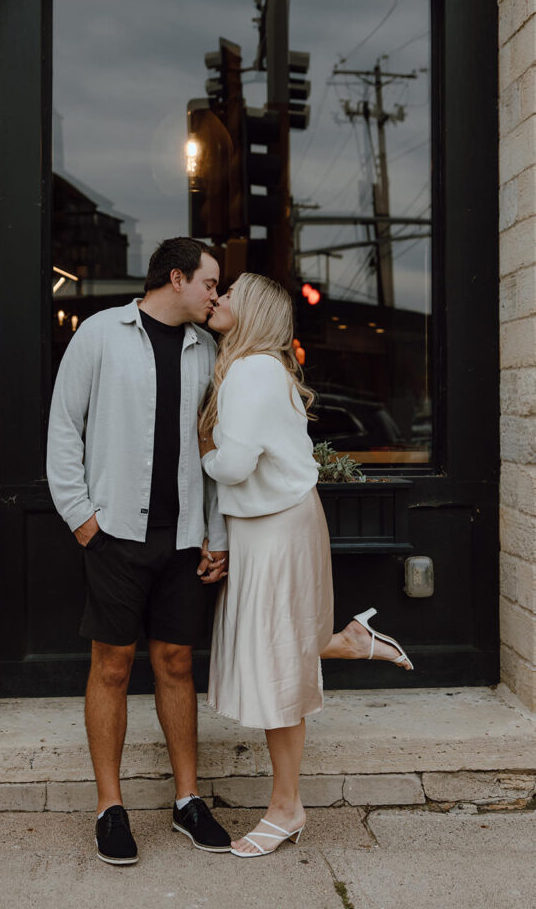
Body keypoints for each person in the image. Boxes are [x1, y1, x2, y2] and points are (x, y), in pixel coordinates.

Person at [198, 272, 413, 859]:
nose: (216, 298)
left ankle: (286, 807)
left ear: (255, 311)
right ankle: (348, 641)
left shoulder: (251, 371)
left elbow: (236, 466)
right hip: (278, 524)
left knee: (275, 666)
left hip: (274, 529)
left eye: (230, 293)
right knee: (281, 652)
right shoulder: (264, 368)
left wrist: (202, 453)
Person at [47, 237, 231, 866]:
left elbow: (212, 453)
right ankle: (110, 807)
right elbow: (63, 427)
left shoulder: (207, 350)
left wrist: (217, 534)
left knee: (177, 663)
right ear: (176, 278)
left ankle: (188, 802)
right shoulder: (100, 333)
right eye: (209, 282)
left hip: (184, 540)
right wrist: (83, 521)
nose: (215, 294)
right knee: (113, 667)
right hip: (116, 534)